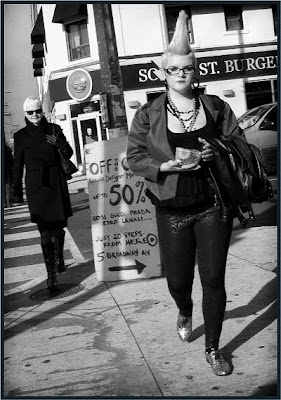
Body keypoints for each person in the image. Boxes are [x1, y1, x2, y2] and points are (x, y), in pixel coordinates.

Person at [127, 11, 244, 376]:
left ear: (196, 72)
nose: (181, 74)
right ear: (163, 73)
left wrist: (217, 150)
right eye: (174, 69)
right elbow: (134, 157)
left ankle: (213, 348)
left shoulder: (215, 107)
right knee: (178, 280)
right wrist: (164, 167)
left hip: (212, 206)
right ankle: (183, 308)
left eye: (187, 69)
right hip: (171, 209)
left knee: (213, 280)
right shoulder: (148, 114)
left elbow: (238, 144)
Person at [12, 97, 74, 291]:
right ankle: (51, 274)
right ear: (25, 114)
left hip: (55, 182)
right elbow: (17, 165)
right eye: (30, 113)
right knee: (45, 233)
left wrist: (59, 144)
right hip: (36, 186)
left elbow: (69, 152)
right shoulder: (20, 136)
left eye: (37, 111)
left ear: (42, 110)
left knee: (58, 228)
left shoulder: (54, 129)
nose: (35, 115)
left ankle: (60, 257)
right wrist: (16, 192)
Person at [4, 142, 14, 208]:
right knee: (8, 189)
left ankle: (4, 202)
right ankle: (8, 203)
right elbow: (12, 162)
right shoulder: (7, 149)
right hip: (7, 172)